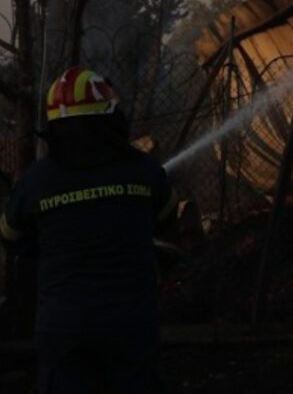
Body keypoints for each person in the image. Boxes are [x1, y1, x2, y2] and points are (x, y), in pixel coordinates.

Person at [0, 67, 177, 393]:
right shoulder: (144, 170)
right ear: (109, 119)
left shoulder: (35, 181)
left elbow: (9, 236)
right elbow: (167, 221)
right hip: (132, 324)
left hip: (64, 329)